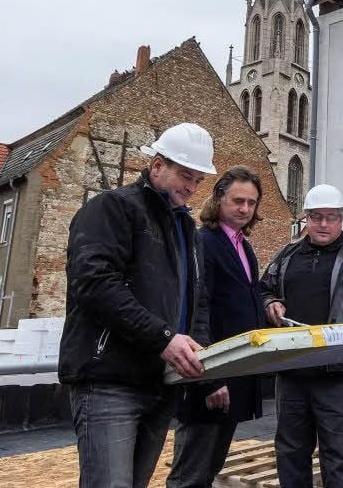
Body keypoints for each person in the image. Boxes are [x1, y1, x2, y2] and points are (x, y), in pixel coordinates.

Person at [59, 123, 217, 488]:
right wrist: (163, 337)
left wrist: (203, 356)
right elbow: (94, 284)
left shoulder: (187, 230)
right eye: (185, 175)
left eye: (197, 180)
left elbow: (198, 302)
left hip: (161, 382)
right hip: (109, 381)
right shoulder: (113, 208)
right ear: (158, 165)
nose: (191, 187)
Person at [260, 183, 343, 488]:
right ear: (306, 217)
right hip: (292, 374)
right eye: (316, 217)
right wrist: (270, 302)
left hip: (339, 379)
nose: (323, 224)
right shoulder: (286, 255)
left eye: (331, 217)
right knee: (291, 455)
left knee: (340, 459)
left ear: (341, 219)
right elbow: (263, 288)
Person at [168, 166, 268, 488]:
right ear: (219, 198)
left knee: (208, 472)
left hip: (234, 378)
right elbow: (198, 312)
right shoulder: (204, 243)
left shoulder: (244, 246)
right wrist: (209, 380)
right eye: (238, 201)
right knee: (190, 477)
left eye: (251, 203)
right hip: (209, 378)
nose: (245, 209)